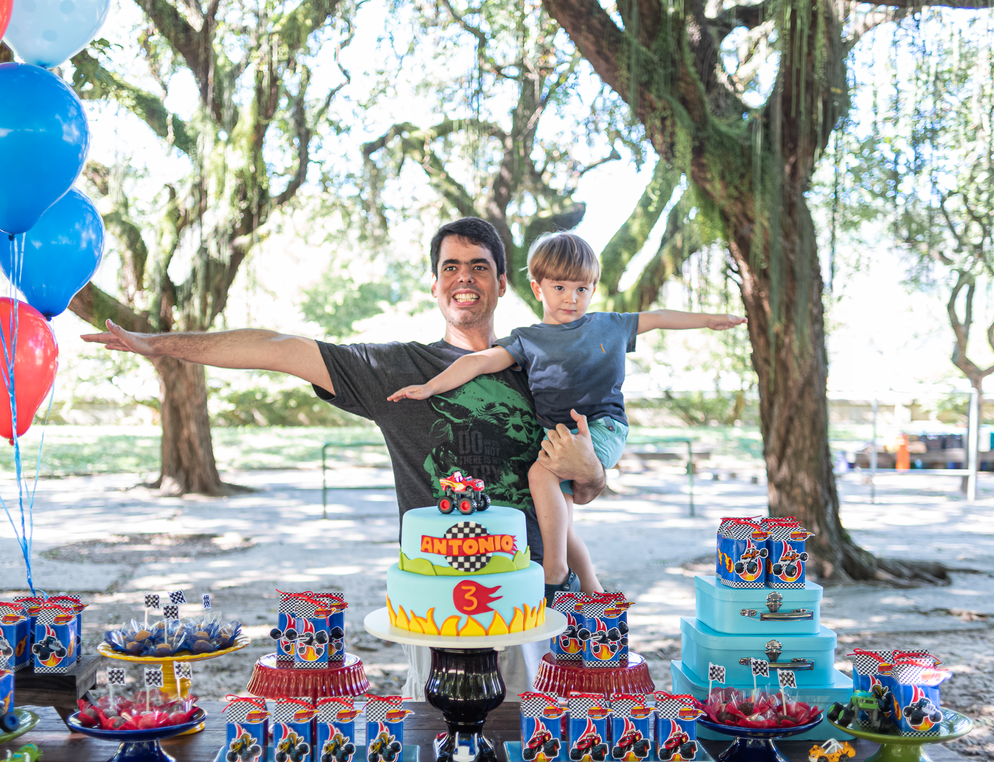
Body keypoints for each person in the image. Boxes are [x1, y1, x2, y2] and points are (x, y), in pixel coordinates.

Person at [81, 217, 606, 699]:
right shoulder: (398, 369)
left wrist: (593, 472)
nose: (464, 278)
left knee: (529, 749)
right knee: (437, 743)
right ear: (434, 283)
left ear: (502, 282)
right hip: (437, 607)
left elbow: (579, 481)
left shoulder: (540, 370)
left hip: (533, 600)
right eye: (451, 267)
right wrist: (159, 344)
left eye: (479, 267)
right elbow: (278, 346)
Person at [389, 232, 746, 605]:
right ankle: (596, 596)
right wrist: (430, 387)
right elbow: (479, 362)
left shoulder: (609, 324)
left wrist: (710, 319)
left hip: (600, 427)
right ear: (537, 287)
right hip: (555, 435)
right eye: (559, 286)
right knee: (559, 525)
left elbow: (658, 317)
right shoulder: (527, 339)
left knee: (539, 476)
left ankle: (554, 573)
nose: (571, 298)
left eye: (582, 289)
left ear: (593, 289)